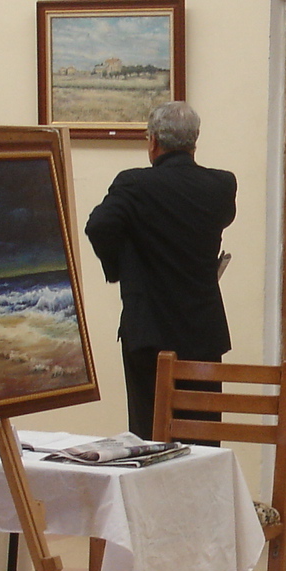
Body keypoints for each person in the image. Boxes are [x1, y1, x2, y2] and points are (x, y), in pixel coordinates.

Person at [84, 101, 237, 439]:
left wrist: (122, 267)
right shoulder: (221, 186)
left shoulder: (135, 185)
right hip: (202, 330)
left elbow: (99, 226)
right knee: (201, 435)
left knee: (151, 435)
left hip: (149, 330)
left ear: (152, 141)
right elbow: (219, 219)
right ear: (194, 142)